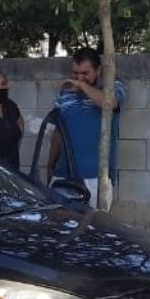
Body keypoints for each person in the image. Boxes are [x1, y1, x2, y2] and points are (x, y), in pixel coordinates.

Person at [45, 48, 127, 202]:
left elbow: (109, 103)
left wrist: (81, 86)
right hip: (63, 176)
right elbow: (58, 132)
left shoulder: (113, 87)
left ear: (98, 70)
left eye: (85, 73)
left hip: (95, 179)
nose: (79, 78)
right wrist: (50, 166)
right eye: (75, 73)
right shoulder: (65, 94)